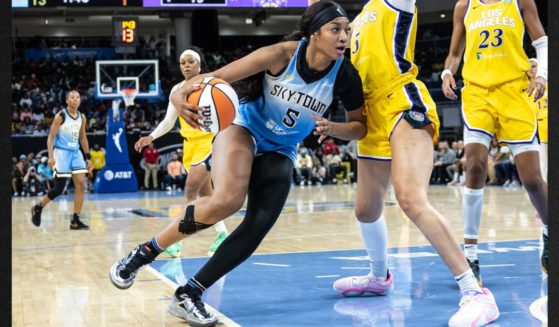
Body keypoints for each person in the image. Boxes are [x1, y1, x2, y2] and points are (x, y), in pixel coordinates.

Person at [110, 2, 366, 326]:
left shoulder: (345, 75)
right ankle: (144, 253)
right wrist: (178, 98)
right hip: (244, 127)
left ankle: (189, 293)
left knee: (258, 226)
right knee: (227, 202)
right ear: (314, 34)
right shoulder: (281, 54)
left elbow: (360, 126)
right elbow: (212, 78)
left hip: (283, 146)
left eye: (347, 29)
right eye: (336, 29)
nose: (344, 36)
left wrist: (335, 129)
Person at [328, 0, 499, 326]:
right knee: (365, 209)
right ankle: (379, 277)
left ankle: (476, 293)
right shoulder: (357, 18)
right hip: (370, 113)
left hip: (401, 101)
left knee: (410, 198)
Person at [442, 0, 548, 281]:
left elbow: (542, 42)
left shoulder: (519, 1)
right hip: (477, 94)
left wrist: (543, 76)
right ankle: (471, 256)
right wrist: (446, 73)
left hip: (515, 93)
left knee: (533, 180)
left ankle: (550, 232)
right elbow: (454, 53)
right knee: (475, 166)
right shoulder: (464, 6)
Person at [133, 47, 230, 257]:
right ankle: (223, 234)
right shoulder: (177, 89)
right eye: (182, 62)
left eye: (190, 62)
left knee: (190, 193)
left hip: (209, 143)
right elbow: (169, 121)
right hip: (190, 145)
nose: (186, 65)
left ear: (199, 64)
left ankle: (175, 241)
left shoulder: (211, 85)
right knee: (207, 196)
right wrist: (151, 137)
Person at [31, 90, 92, 230]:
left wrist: (88, 156)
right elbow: (51, 137)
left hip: (76, 152)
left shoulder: (82, 117)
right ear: (67, 100)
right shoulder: (61, 116)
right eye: (72, 97)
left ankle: (75, 220)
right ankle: (38, 208)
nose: (75, 99)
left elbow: (83, 137)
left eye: (78, 97)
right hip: (62, 153)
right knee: (59, 188)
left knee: (81, 185)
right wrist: (51, 156)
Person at [528, 59, 547, 182]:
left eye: (534, 66)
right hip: (539, 129)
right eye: (528, 67)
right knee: (543, 164)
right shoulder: (526, 89)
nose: (531, 69)